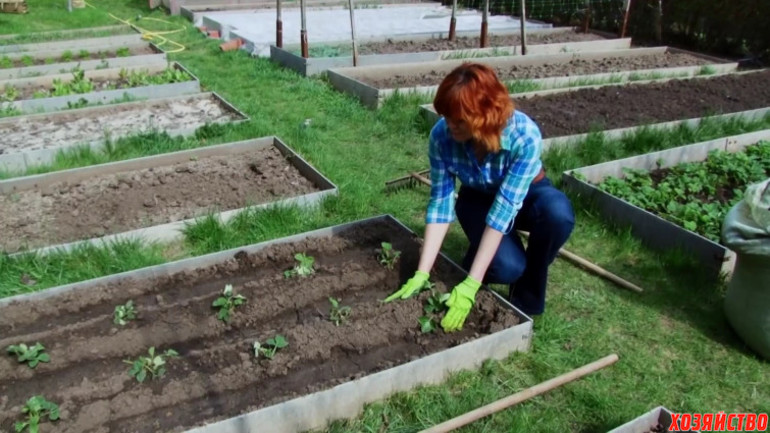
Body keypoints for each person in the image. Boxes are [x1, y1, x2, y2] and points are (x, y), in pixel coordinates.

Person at [384, 63, 575, 332]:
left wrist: (472, 284)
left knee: (558, 214)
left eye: (459, 120)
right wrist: (422, 272)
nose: (449, 125)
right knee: (506, 267)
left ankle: (525, 298)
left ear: (484, 115)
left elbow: (504, 209)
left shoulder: (524, 136)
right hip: (477, 198)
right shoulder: (442, 136)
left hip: (528, 193)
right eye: (447, 116)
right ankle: (493, 258)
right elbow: (440, 203)